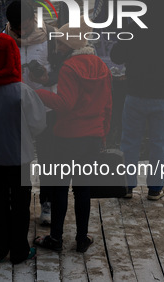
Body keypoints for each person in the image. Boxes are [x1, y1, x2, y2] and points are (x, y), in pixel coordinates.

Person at [34, 22, 112, 253]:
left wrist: (37, 93)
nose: (56, 47)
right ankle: (81, 238)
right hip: (93, 137)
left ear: (69, 44)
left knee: (60, 189)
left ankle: (55, 238)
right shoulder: (101, 66)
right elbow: (108, 106)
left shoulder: (69, 67)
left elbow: (65, 104)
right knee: (83, 190)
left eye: (59, 43)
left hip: (67, 137)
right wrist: (103, 134)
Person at [110, 0, 164, 200]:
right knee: (159, 144)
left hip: (135, 96)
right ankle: (155, 189)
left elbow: (117, 56)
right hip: (163, 98)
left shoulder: (135, 29)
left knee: (129, 143)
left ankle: (127, 187)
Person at [0, 33, 46, 264]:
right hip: (19, 157)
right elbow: (38, 125)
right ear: (14, 58)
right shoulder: (22, 91)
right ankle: (20, 251)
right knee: (21, 203)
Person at [5, 0, 59, 226]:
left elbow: (62, 69)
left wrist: (48, 78)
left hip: (46, 106)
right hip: (17, 107)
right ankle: (19, 202)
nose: (21, 32)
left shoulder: (52, 36)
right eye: (16, 28)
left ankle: (48, 202)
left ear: (32, 19)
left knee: (48, 157)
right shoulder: (5, 37)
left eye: (24, 26)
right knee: (19, 159)